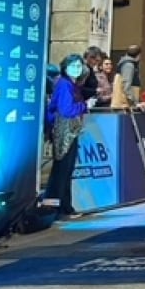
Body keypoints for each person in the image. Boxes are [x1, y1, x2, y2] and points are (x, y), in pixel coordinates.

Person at [44, 54, 96, 219]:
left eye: (79, 66)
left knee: (66, 171)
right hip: (63, 132)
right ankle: (56, 209)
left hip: (70, 131)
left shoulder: (71, 84)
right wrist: (84, 105)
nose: (76, 69)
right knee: (61, 171)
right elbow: (66, 110)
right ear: (65, 68)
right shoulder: (65, 84)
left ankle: (65, 207)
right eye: (72, 66)